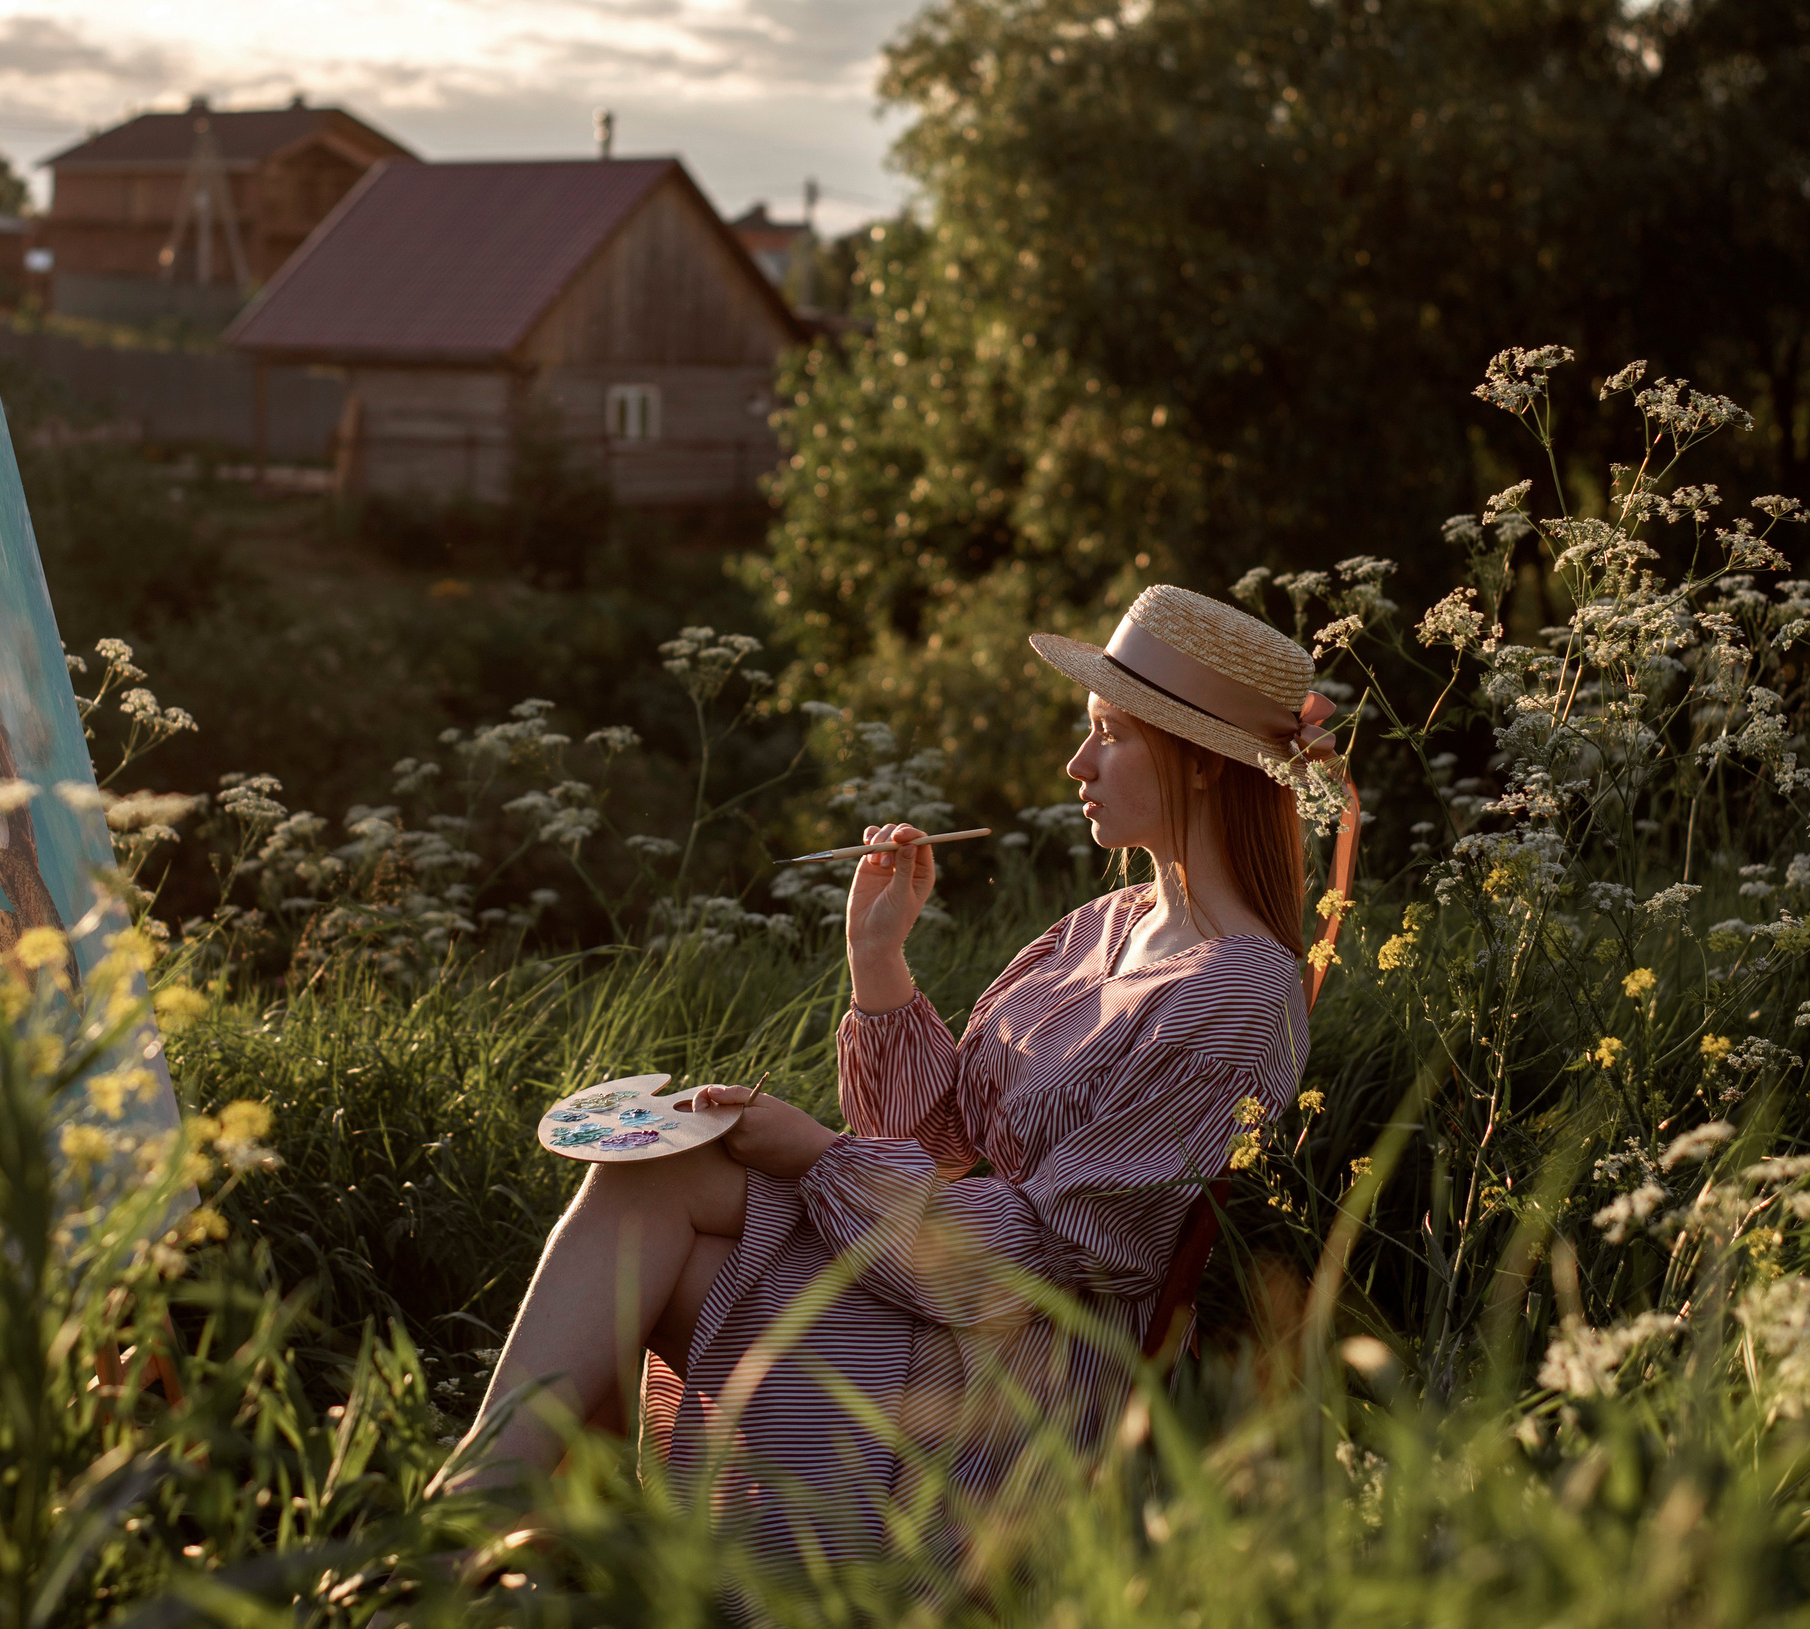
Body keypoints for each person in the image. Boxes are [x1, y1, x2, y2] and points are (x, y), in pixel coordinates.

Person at [441, 584, 1348, 1582]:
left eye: (1110, 736)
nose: (1076, 764)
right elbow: (941, 1141)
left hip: (1015, 1366)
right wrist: (879, 962)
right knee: (649, 1171)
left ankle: (497, 1547)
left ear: (1207, 768)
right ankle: (487, 1520)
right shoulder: (1106, 922)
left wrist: (817, 1155)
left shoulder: (1240, 990)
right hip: (944, 1278)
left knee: (642, 1279)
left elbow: (1045, 1261)